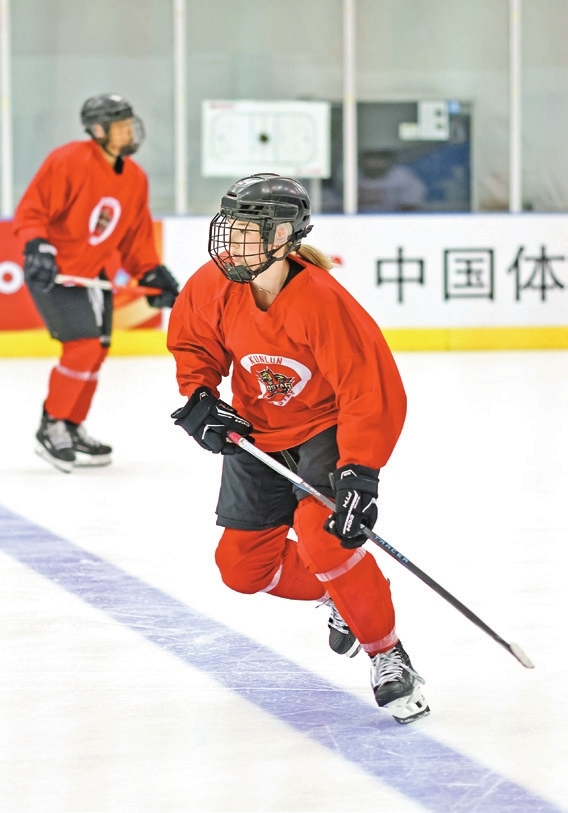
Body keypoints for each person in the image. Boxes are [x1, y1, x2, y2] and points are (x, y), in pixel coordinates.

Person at [167, 173, 430, 724]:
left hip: (324, 430)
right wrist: (200, 397)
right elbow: (194, 342)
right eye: (231, 224)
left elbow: (369, 389)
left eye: (248, 228)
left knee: (323, 536)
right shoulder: (215, 283)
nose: (232, 238)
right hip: (258, 433)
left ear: (283, 235)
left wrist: (360, 471)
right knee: (241, 568)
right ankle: (344, 594)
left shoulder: (323, 301)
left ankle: (388, 654)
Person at [13, 93, 180, 473]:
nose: (129, 131)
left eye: (129, 123)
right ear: (99, 130)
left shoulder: (135, 177)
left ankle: (72, 425)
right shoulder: (69, 160)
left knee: (98, 350)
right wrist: (38, 246)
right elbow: (33, 211)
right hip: (56, 272)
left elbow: (135, 239)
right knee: (83, 348)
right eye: (120, 125)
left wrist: (151, 272)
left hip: (92, 276)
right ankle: (52, 424)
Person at [358, 149, 427, 213]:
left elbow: (410, 207)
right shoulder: (353, 173)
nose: (375, 162)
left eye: (380, 158)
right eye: (370, 158)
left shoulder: (403, 176)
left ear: (389, 161)